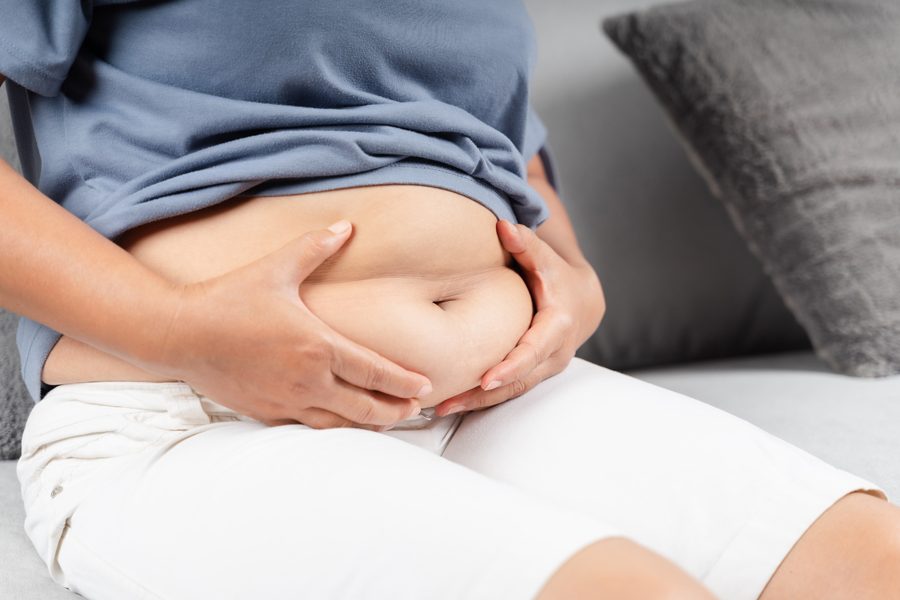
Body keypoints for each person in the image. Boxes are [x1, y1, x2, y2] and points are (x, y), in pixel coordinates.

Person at [2, 2, 899, 599]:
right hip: (192, 415)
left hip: (491, 399)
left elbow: (489, 138)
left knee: (871, 564)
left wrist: (571, 277)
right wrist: (180, 332)